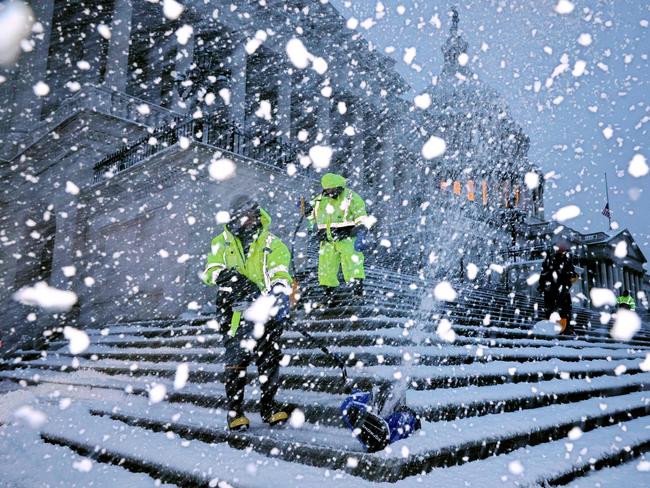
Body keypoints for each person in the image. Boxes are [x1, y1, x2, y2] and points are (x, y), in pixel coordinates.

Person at [202, 195, 293, 431]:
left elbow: (280, 272)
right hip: (233, 312)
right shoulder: (220, 243)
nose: (249, 220)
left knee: (269, 359)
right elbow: (210, 271)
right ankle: (235, 412)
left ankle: (269, 406)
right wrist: (230, 278)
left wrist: (278, 292)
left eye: (252, 215)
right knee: (236, 362)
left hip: (265, 310)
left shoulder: (272, 243)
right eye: (244, 215)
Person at [305, 173, 370, 296]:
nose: (330, 192)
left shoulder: (351, 197)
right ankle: (328, 295)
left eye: (333, 189)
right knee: (326, 269)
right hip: (327, 240)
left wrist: (361, 231)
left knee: (352, 264)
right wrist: (307, 211)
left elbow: (361, 216)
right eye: (327, 189)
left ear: (339, 187)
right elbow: (312, 219)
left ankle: (357, 293)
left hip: (348, 237)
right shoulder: (319, 200)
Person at [537, 240, 578, 334]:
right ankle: (561, 329)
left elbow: (544, 274)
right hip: (555, 289)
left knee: (561, 309)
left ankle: (565, 329)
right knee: (558, 309)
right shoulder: (554, 259)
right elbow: (545, 274)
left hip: (557, 289)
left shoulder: (563, 260)